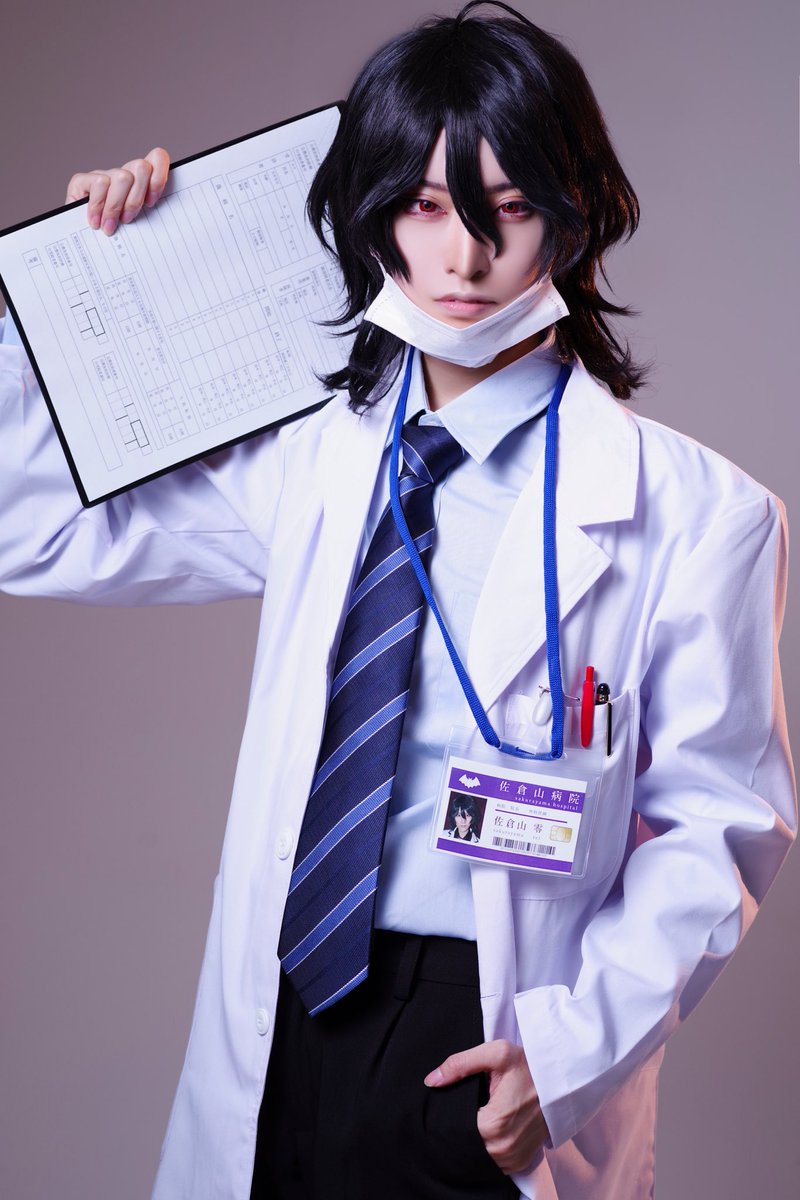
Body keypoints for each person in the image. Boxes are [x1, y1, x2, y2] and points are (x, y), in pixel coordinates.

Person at [0, 3, 794, 1198]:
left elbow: (717, 826)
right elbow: (29, 524)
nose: (462, 261)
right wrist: (61, 293)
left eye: (504, 210)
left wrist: (564, 1058)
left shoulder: (699, 515)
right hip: (280, 1013)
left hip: (483, 1034)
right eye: (423, 208)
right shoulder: (312, 461)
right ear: (370, 216)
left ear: (573, 216)